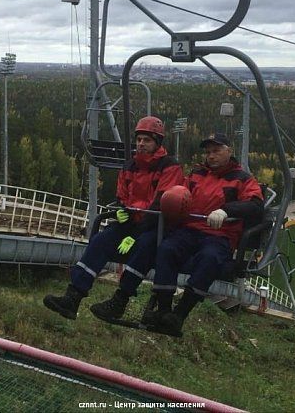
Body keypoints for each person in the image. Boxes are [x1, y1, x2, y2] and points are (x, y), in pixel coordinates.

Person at [43, 116, 184, 321]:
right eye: (139, 140)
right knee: (101, 240)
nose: (141, 144)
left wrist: (135, 233)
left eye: (147, 140)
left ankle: (120, 300)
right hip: (132, 223)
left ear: (157, 142)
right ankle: (73, 296)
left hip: (157, 226)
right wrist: (122, 213)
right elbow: (123, 196)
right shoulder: (130, 166)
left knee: (144, 246)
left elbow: (162, 203)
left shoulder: (170, 167)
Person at [144, 132, 264, 336]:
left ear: (229, 151)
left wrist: (227, 211)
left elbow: (255, 205)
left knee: (209, 259)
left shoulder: (241, 179)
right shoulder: (197, 175)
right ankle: (163, 310)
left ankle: (180, 313)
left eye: (216, 151)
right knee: (167, 249)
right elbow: (180, 193)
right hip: (190, 230)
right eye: (208, 152)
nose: (211, 156)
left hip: (219, 235)